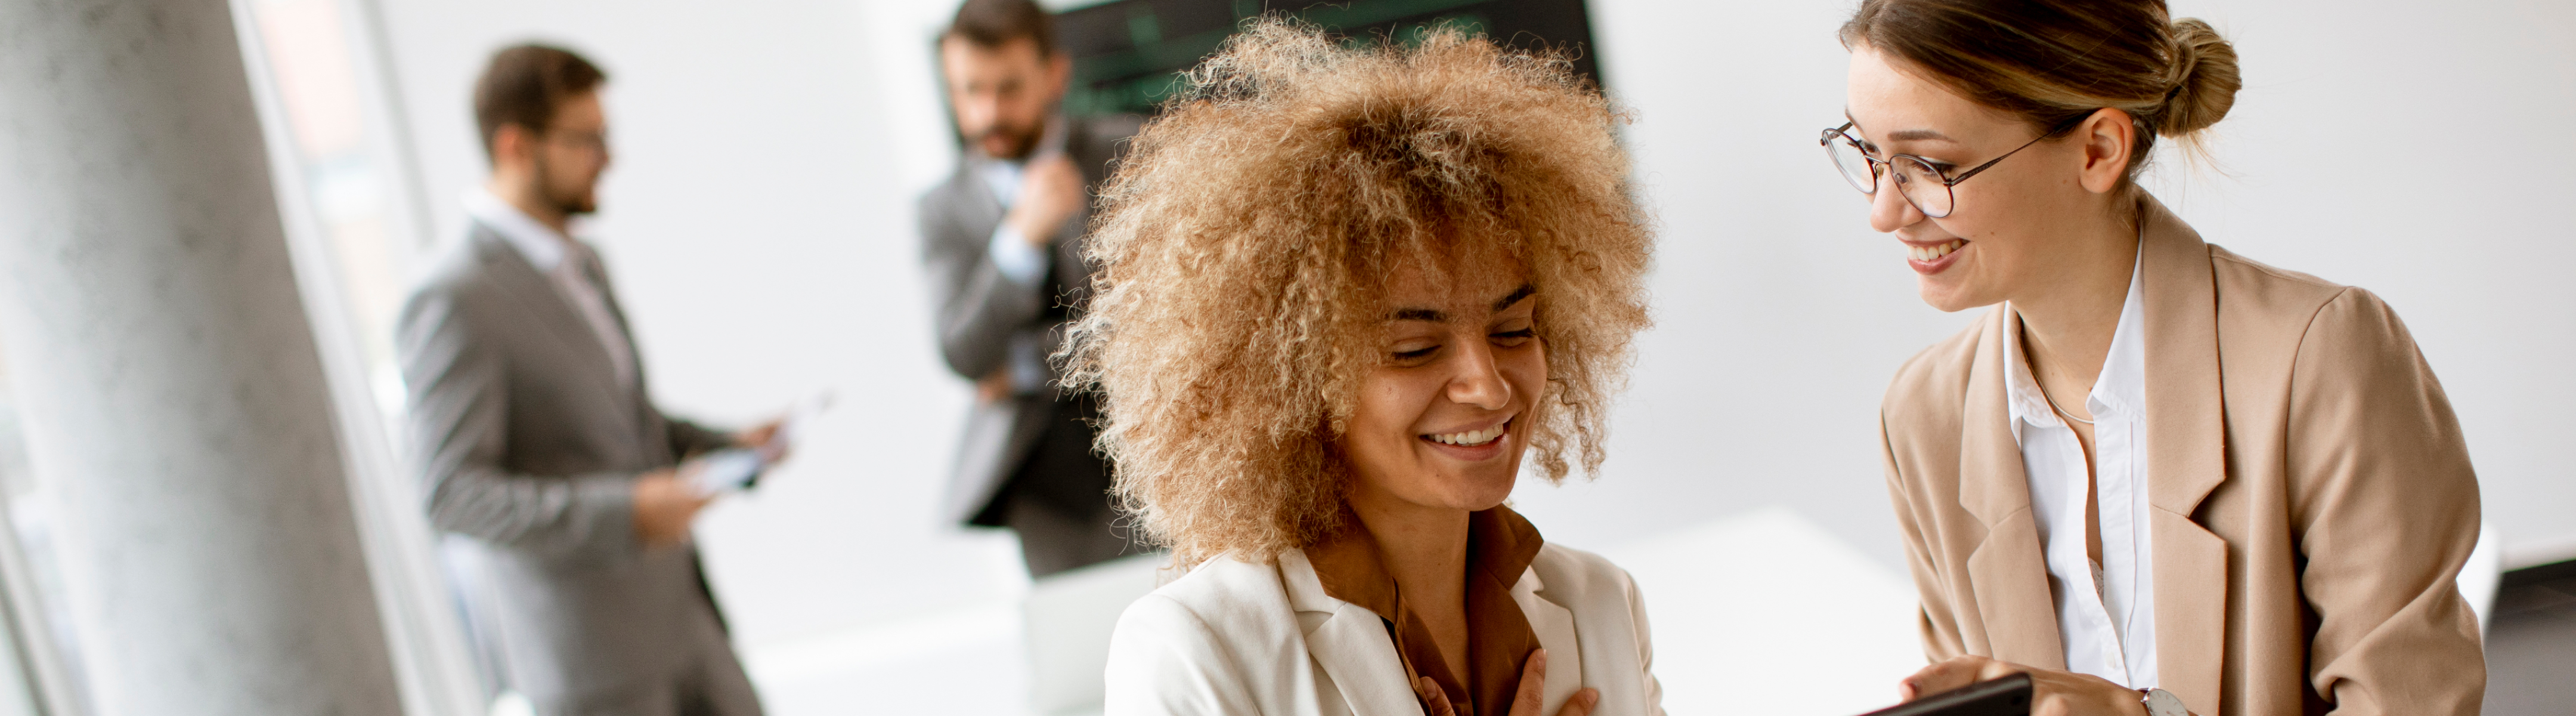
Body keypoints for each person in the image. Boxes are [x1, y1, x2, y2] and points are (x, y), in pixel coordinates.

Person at [1827, 2, 2487, 714]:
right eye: (1867, 155)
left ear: (2099, 150)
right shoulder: (1927, 415)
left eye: (1930, 165)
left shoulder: (2320, 358)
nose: (1885, 212)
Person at [1079, 21, 1661, 716]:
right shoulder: (1196, 648)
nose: (1489, 384)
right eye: (1414, 350)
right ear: (1289, 378)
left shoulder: (1603, 605)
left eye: (1513, 330)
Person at [398, 44, 777, 716]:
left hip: (685, 624)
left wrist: (725, 444)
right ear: (517, 145)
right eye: (587, 139)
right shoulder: (455, 297)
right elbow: (451, 493)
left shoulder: (584, 263)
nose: (609, 157)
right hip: (593, 664)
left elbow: (620, 421)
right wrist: (624, 512)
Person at [919, 0, 1147, 577]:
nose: (989, 111)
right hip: (1045, 491)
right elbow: (963, 354)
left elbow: (1155, 322)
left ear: (1054, 75)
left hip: (1153, 444)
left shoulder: (1130, 154)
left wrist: (1021, 368)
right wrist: (1018, 240)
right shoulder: (940, 210)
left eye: (1008, 88)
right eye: (970, 91)